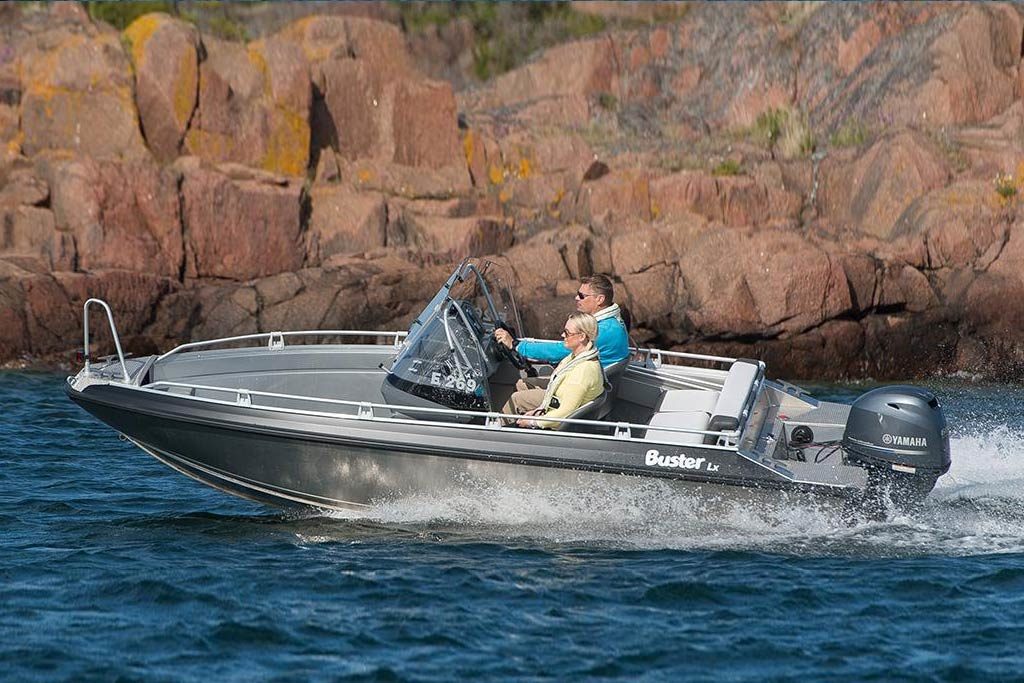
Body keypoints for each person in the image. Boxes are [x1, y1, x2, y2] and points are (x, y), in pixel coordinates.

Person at [494, 274, 629, 368]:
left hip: (584, 391)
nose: (576, 298)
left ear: (599, 299)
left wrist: (516, 345)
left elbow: (560, 350)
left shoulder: (600, 331)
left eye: (581, 296)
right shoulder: (613, 322)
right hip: (592, 385)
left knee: (519, 391)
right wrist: (522, 343)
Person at [502, 313, 604, 429]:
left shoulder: (582, 372)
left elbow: (564, 413)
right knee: (521, 385)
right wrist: (537, 411)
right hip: (554, 407)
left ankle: (494, 430)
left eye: (567, 333)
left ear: (582, 336)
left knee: (515, 399)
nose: (562, 335)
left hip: (557, 427)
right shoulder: (577, 357)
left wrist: (533, 422)